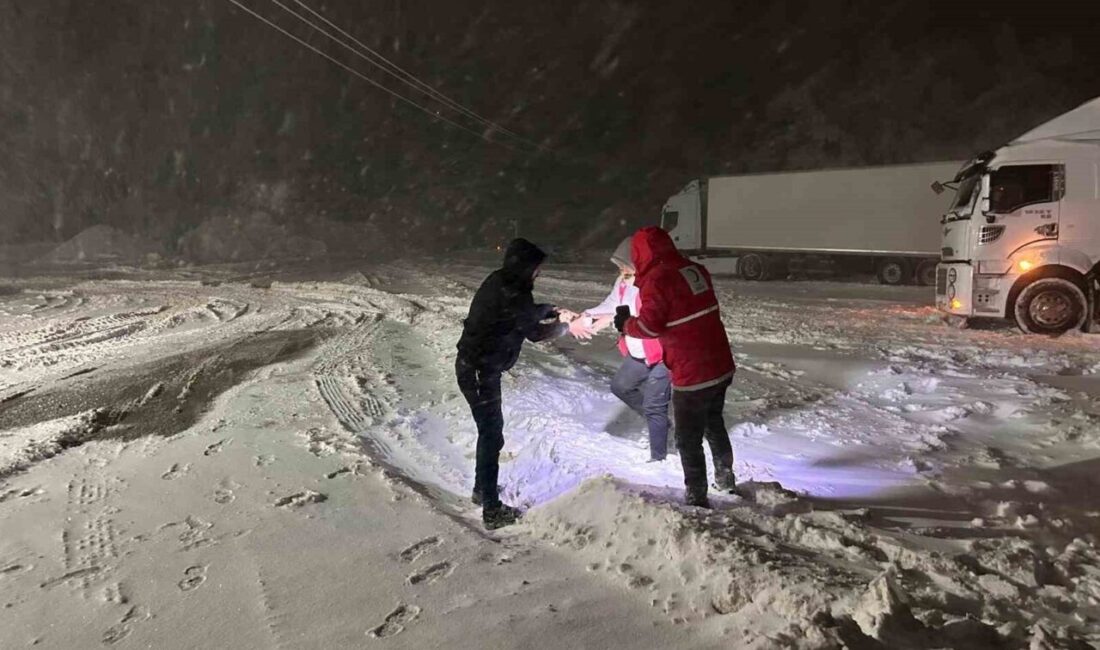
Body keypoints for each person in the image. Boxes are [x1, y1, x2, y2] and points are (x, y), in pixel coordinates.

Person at [455, 238, 576, 529]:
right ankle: (492, 511)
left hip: (480, 369)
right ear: (525, 267)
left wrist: (552, 309)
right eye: (537, 269)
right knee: (491, 434)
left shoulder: (504, 282)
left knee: (491, 433)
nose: (539, 274)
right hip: (479, 371)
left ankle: (482, 491)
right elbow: (534, 332)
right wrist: (567, 326)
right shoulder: (511, 291)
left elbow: (526, 311)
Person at [616, 226, 737, 508]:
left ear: (640, 253)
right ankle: (726, 478)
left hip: (692, 370)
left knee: (687, 437)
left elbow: (649, 325)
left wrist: (625, 324)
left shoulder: (657, 279)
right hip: (719, 363)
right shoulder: (693, 268)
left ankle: (697, 496)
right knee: (713, 423)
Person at [581, 237, 671, 462]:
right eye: (618, 264)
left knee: (654, 404)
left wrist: (614, 319)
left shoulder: (654, 283)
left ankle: (659, 457)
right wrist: (590, 314)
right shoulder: (623, 281)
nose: (621, 268)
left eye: (625, 263)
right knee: (621, 386)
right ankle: (660, 423)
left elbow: (651, 319)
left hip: (662, 354)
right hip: (638, 352)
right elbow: (612, 304)